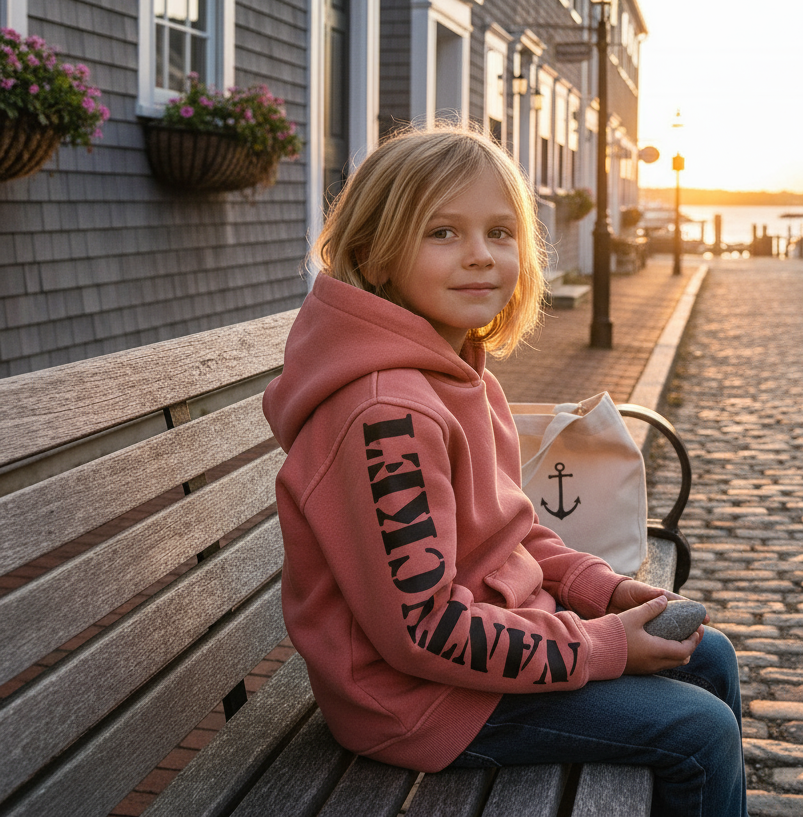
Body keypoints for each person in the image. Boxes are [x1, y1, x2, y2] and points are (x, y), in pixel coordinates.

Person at [263, 127, 747, 816]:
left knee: (711, 656)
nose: (480, 258)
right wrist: (603, 645)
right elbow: (424, 630)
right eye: (443, 233)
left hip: (485, 650)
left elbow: (511, 536)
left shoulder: (461, 372)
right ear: (373, 255)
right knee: (699, 733)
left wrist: (603, 591)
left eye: (499, 232)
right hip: (418, 701)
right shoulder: (385, 416)